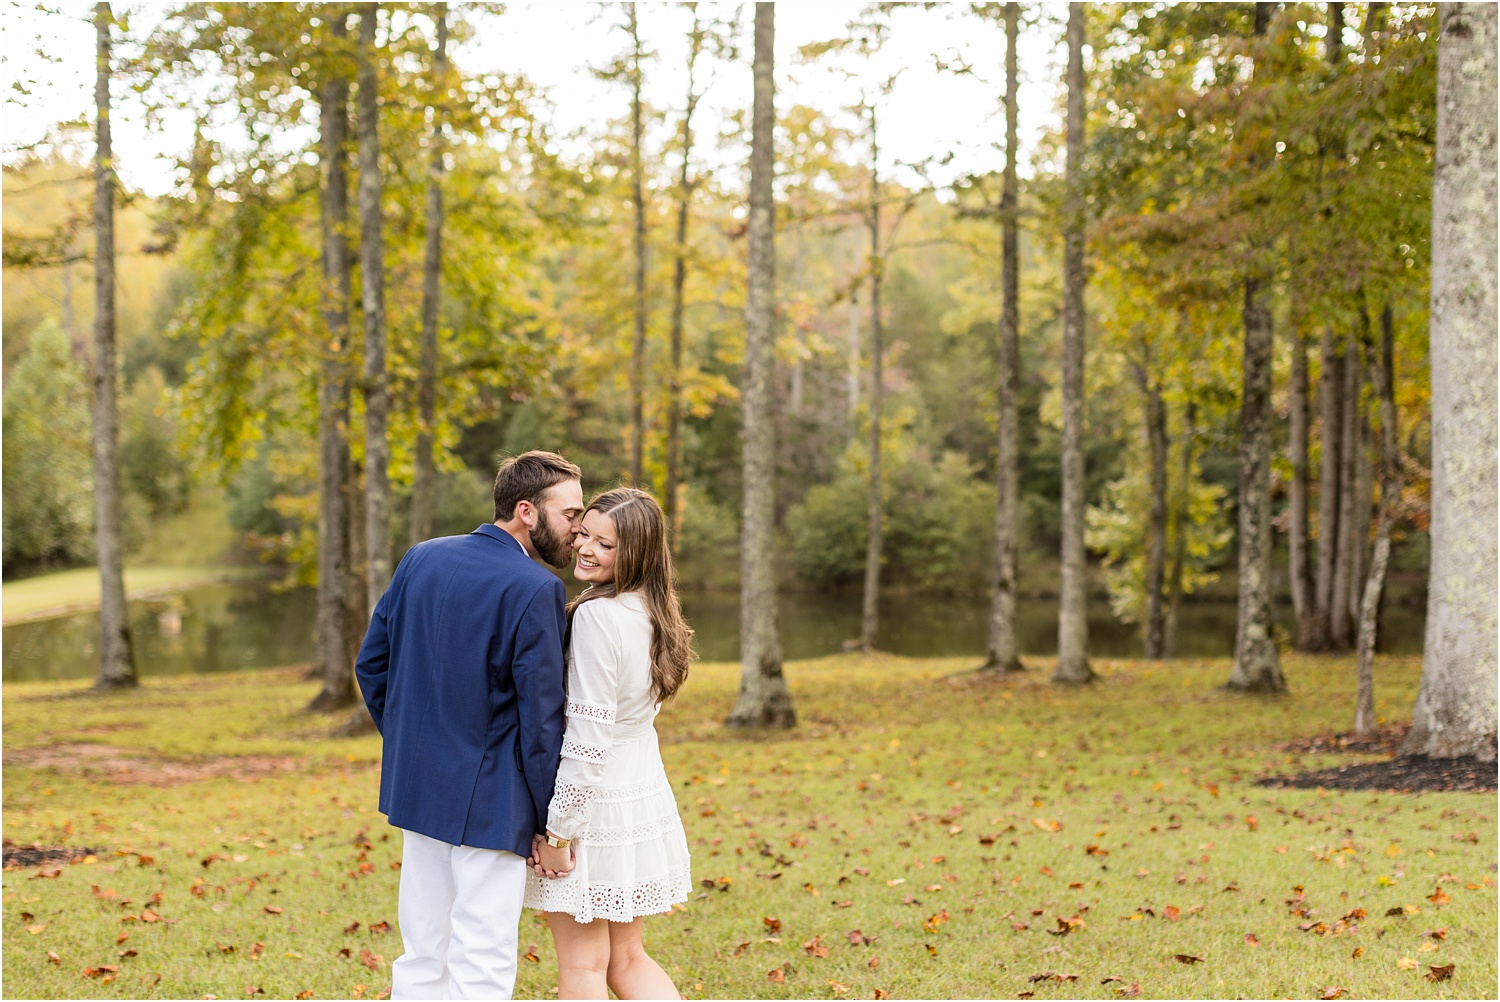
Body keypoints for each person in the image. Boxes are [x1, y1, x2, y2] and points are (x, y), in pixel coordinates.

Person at [355, 450, 584, 1000]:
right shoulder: (536, 588)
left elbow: (371, 665)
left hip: (420, 785)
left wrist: (415, 744)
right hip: (491, 799)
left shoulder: (421, 557)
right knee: (482, 954)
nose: (578, 529)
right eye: (571, 513)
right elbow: (541, 721)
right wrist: (551, 825)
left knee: (423, 950)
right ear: (527, 511)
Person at [524, 487, 695, 1000]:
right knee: (626, 958)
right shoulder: (652, 611)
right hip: (635, 797)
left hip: (593, 809)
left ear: (637, 552)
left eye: (607, 544)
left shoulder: (599, 617)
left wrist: (557, 837)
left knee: (582, 967)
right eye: (586, 534)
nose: (587, 549)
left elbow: (588, 740)